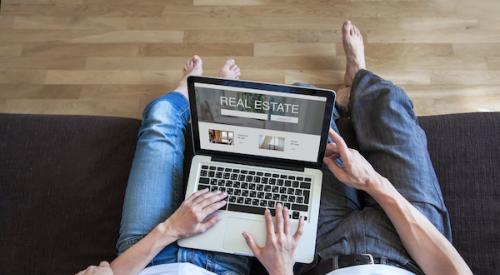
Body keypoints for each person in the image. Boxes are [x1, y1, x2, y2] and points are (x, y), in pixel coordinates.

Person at [76, 21, 472, 275]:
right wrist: (375, 183)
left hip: (320, 252)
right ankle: (359, 77)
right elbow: (454, 270)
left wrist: (169, 230)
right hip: (409, 251)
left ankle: (188, 95)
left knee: (296, 112)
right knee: (378, 108)